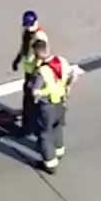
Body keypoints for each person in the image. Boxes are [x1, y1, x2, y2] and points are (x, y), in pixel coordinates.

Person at [23, 38, 75, 174]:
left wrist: (37, 91)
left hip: (47, 107)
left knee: (44, 134)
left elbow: (35, 92)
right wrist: (68, 87)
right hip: (61, 103)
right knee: (57, 126)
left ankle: (50, 164)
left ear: (37, 53)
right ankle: (59, 150)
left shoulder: (42, 72)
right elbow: (73, 75)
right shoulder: (62, 61)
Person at [10, 10, 49, 78]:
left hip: (36, 71)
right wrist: (17, 60)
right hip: (28, 69)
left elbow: (41, 56)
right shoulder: (26, 33)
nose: (29, 28)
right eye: (27, 25)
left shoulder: (39, 36)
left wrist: (36, 70)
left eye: (31, 25)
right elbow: (23, 47)